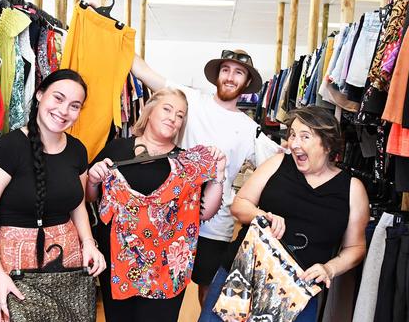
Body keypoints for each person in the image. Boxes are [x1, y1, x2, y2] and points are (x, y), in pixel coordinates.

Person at [131, 49, 281, 305]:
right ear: (217, 75)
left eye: (239, 72)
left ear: (246, 83)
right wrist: (112, 30)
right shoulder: (190, 100)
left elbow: (279, 162)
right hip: (172, 215)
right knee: (161, 284)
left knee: (208, 291)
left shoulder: (249, 129)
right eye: (226, 70)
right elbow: (143, 71)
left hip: (215, 226)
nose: (230, 77)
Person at [198, 106, 370, 322]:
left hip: (297, 294)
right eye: (293, 135)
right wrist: (261, 215)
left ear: (327, 144)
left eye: (305, 136)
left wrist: (330, 268)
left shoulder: (352, 190)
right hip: (243, 276)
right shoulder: (278, 164)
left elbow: (355, 247)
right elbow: (240, 204)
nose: (294, 143)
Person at [0, 69, 106, 322]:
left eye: (74, 105)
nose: (64, 110)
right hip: (17, 257)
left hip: (68, 252)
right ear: (40, 94)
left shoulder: (77, 150)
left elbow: (77, 203)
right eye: (58, 98)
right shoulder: (8, 148)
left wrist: (88, 242)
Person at [86, 88, 227, 322]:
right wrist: (93, 179)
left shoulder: (185, 164)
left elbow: (204, 212)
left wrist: (218, 173)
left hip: (166, 269)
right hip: (118, 263)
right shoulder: (117, 149)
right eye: (168, 109)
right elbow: (92, 197)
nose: (173, 118)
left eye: (180, 115)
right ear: (149, 111)